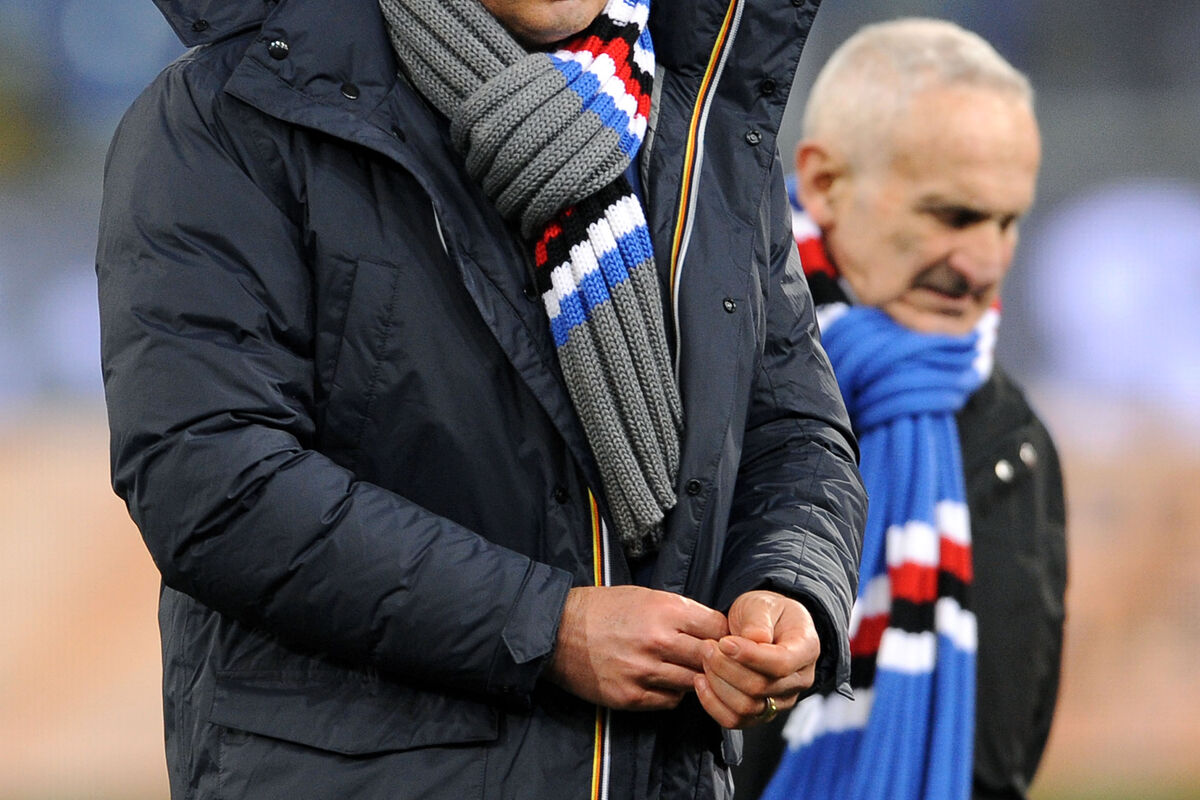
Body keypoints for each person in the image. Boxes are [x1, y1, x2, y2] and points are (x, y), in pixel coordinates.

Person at [95, 1, 867, 798]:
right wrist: (548, 627)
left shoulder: (700, 124)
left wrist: (785, 586)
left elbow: (793, 430)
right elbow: (212, 480)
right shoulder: (227, 114)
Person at [732, 17, 1068, 800]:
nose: (983, 263)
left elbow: (999, 757)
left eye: (1008, 221)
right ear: (825, 183)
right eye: (952, 216)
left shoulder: (1012, 441)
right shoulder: (703, 372)